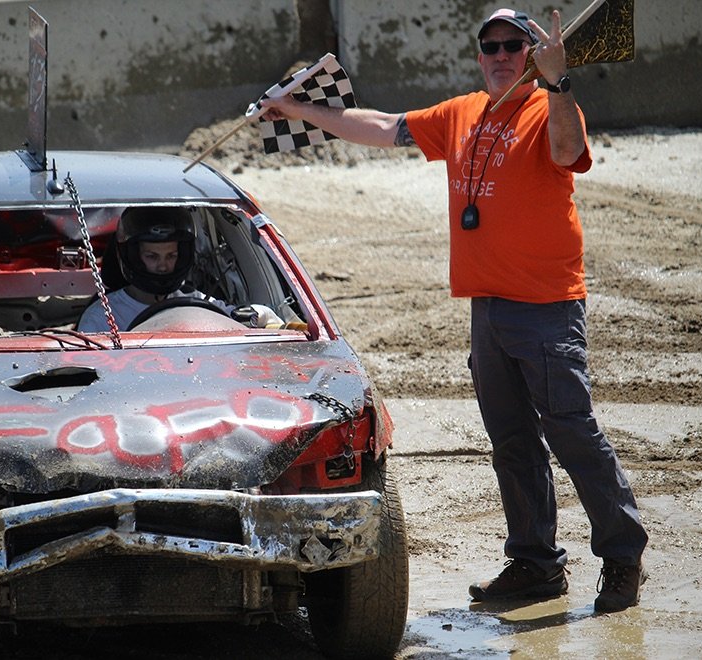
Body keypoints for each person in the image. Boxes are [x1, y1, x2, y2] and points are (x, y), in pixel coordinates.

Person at [261, 7, 648, 612]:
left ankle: (623, 559)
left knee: (573, 435)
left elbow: (570, 151)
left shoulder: (549, 105)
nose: (500, 55)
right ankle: (535, 565)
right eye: (490, 45)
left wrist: (559, 80)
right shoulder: (463, 112)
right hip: (488, 309)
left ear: (530, 53)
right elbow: (385, 126)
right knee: (513, 442)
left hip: (546, 307)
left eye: (512, 46)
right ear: (479, 54)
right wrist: (301, 111)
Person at [78, 206, 281, 332]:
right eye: (151, 256)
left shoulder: (197, 301)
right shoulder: (102, 317)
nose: (163, 265)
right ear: (132, 256)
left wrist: (257, 314)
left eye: (172, 255)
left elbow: (246, 317)